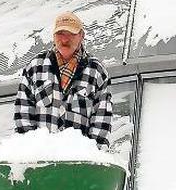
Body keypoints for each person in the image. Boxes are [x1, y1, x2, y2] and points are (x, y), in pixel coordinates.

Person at [14, 11, 113, 148]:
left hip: (79, 164)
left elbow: (101, 123)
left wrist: (94, 158)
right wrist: (30, 154)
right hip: (41, 161)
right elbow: (23, 115)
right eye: (60, 34)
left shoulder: (97, 71)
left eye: (71, 34)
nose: (64, 39)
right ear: (53, 36)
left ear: (81, 36)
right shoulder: (35, 67)